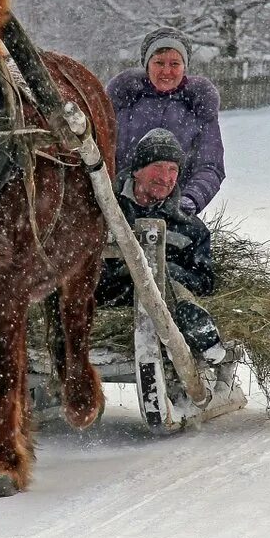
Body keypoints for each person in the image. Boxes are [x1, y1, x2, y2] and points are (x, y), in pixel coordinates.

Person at [95, 128, 231, 366]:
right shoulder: (106, 212)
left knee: (164, 279)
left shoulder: (189, 226)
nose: (165, 177)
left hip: (168, 309)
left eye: (173, 170)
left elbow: (206, 282)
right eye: (157, 167)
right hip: (112, 297)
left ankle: (196, 325)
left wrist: (169, 274)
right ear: (137, 170)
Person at [107, 27, 225, 216]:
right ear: (147, 65)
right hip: (117, 209)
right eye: (159, 63)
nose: (166, 71)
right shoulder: (122, 103)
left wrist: (189, 200)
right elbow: (101, 157)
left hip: (173, 213)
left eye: (175, 63)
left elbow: (210, 166)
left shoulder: (198, 107)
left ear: (184, 67)